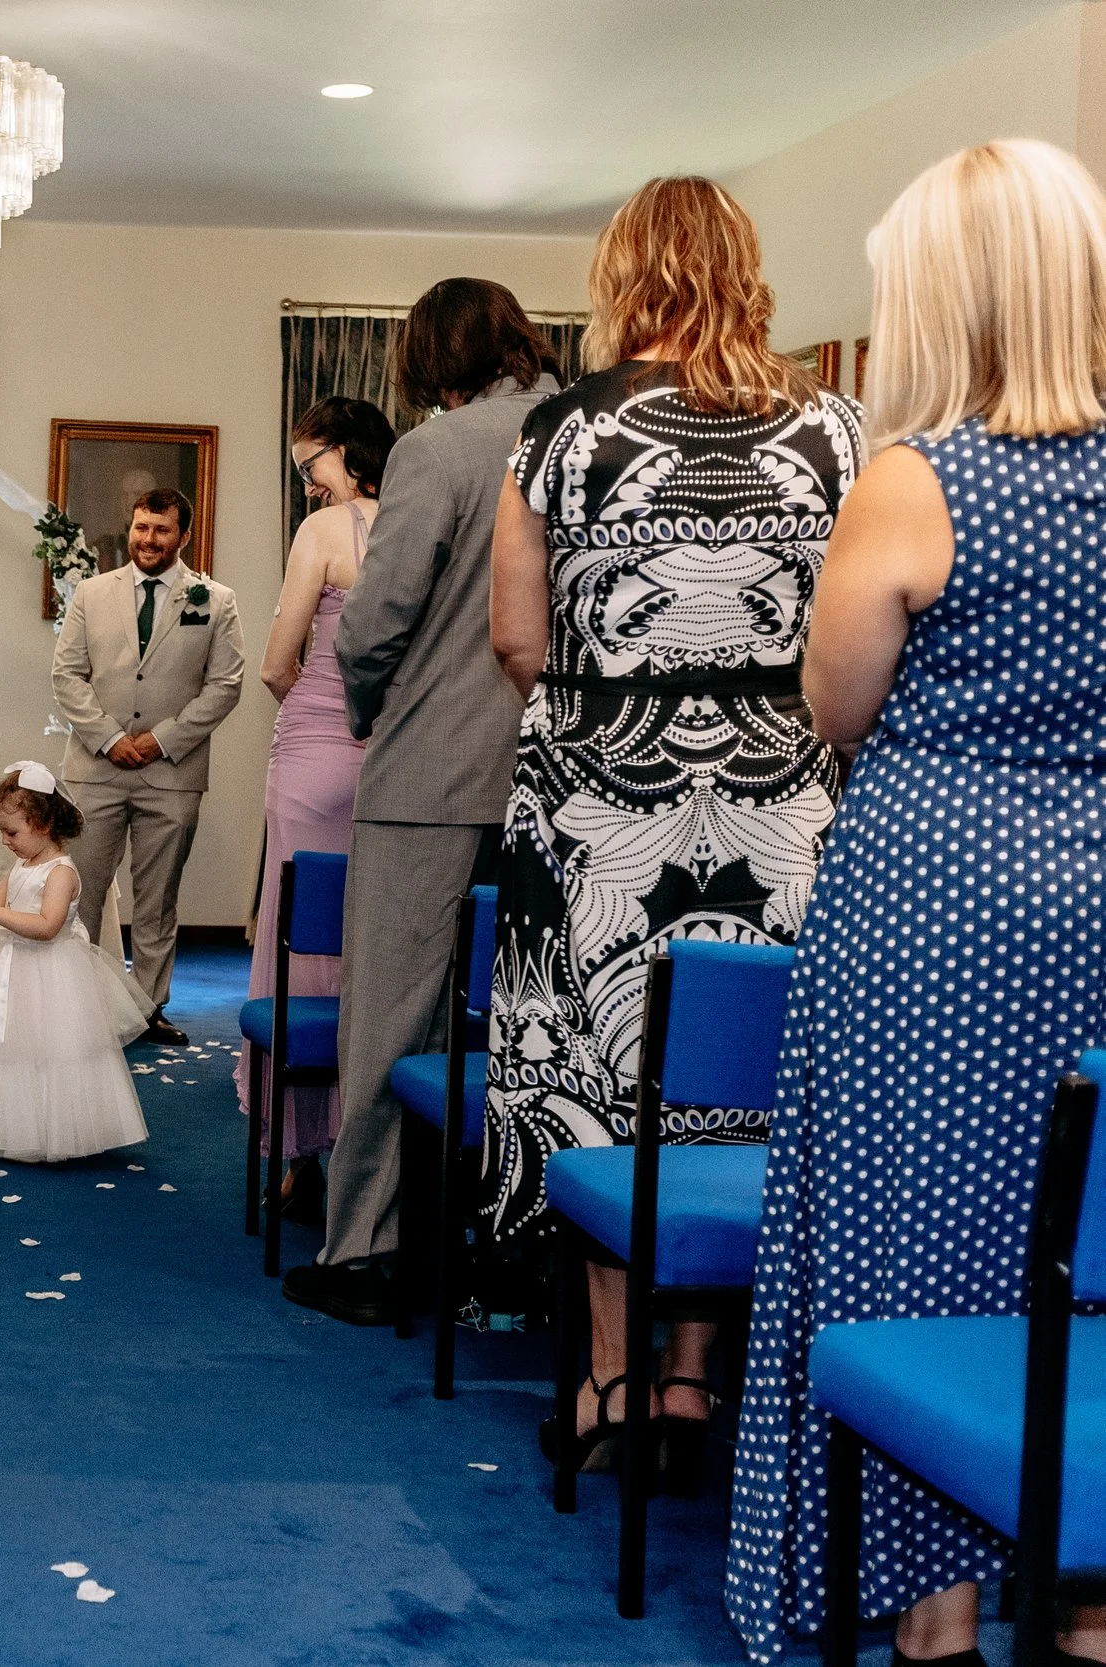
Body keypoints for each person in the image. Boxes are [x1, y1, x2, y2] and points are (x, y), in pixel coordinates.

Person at [726, 138, 1106, 1667]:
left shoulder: (918, 477)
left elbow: (834, 701)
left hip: (934, 900)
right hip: (1094, 890)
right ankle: (1083, 1600)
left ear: (940, 301)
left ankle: (932, 1617)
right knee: (1082, 1246)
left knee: (909, 1243)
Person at [485, 176, 860, 1475]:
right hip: (781, 805)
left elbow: (515, 637)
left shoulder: (557, 432)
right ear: (745, 270)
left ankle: (604, 1382)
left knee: (595, 1078)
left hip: (598, 799)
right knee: (735, 1075)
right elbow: (860, 640)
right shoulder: (838, 427)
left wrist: (616, 710)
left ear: (622, 274)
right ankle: (701, 1384)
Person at [283, 278, 556, 1327]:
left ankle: (372, 1249)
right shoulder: (583, 431)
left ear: (427, 357)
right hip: (554, 781)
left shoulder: (434, 450)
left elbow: (371, 623)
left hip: (429, 778)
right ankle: (515, 1245)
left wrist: (366, 714)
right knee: (527, 1026)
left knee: (390, 1019)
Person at [238, 396, 394, 1221]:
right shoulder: (419, 518)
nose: (306, 487)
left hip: (313, 752)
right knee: (366, 934)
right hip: (394, 754)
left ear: (345, 449)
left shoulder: (324, 534)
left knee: (294, 932)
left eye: (310, 467)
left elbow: (275, 662)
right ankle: (367, 1143)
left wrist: (317, 721)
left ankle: (295, 1150)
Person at [50, 485, 247, 1045]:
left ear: (183, 535)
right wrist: (110, 738)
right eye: (141, 527)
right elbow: (66, 676)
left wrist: (160, 741)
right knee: (79, 891)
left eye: (161, 530)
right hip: (95, 769)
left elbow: (226, 685)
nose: (149, 539)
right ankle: (77, 1005)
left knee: (157, 899)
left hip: (172, 774)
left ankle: (147, 1008)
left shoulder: (216, 600)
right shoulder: (90, 594)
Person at [0, 762, 150, 1161]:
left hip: (50, 972)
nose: (5, 842)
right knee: (4, 1047)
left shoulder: (61, 872)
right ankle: (0, 1123)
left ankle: (51, 1130)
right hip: (11, 965)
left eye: (12, 832)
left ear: (44, 824)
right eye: (1, 833)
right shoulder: (23, 863)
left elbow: (47, 926)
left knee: (48, 1050)